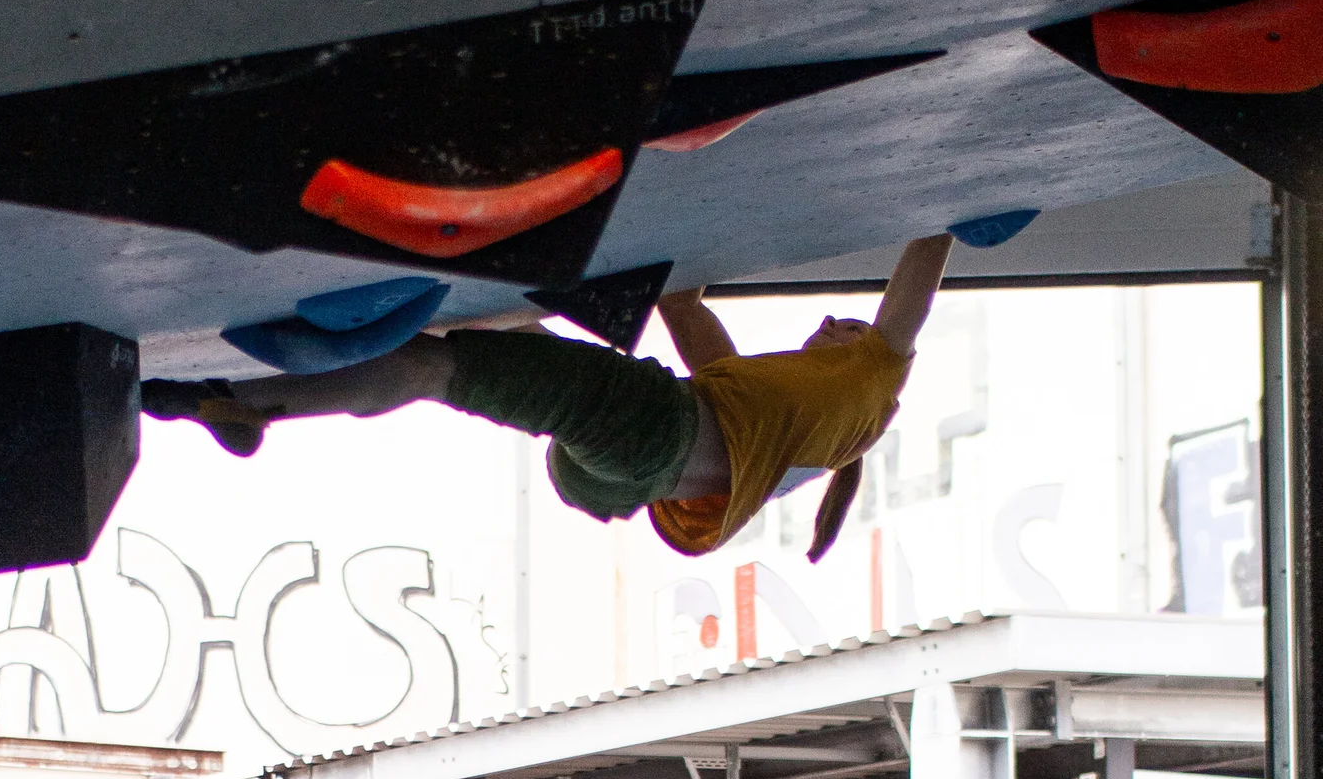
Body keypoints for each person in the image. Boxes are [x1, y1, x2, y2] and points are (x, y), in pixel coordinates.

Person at [153, 233, 955, 568]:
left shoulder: (875, 376)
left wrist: (949, 215)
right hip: (620, 477)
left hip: (648, 429)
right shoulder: (788, 420)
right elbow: (687, 312)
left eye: (841, 323)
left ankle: (250, 402)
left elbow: (908, 305)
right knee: (500, 361)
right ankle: (281, 397)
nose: (825, 319)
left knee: (443, 369)